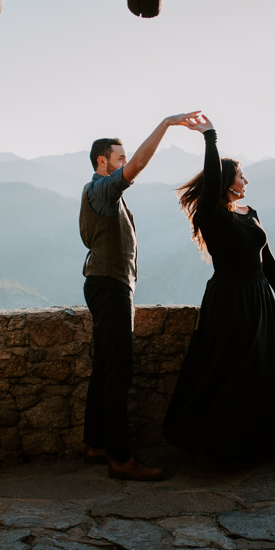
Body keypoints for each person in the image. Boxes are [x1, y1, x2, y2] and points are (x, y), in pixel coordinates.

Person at [163, 115, 275, 458]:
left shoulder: (250, 211)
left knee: (262, 371)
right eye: (242, 175)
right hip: (230, 298)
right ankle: (223, 448)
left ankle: (258, 445)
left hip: (259, 298)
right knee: (230, 373)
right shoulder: (211, 215)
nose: (247, 180)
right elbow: (210, 181)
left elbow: (264, 256)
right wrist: (210, 138)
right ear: (228, 181)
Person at [80, 111, 202, 481]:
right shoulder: (101, 189)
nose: (124, 163)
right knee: (119, 372)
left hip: (104, 284)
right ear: (103, 162)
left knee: (104, 370)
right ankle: (120, 458)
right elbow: (139, 165)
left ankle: (96, 444)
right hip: (109, 286)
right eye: (118, 158)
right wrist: (166, 124)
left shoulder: (101, 194)